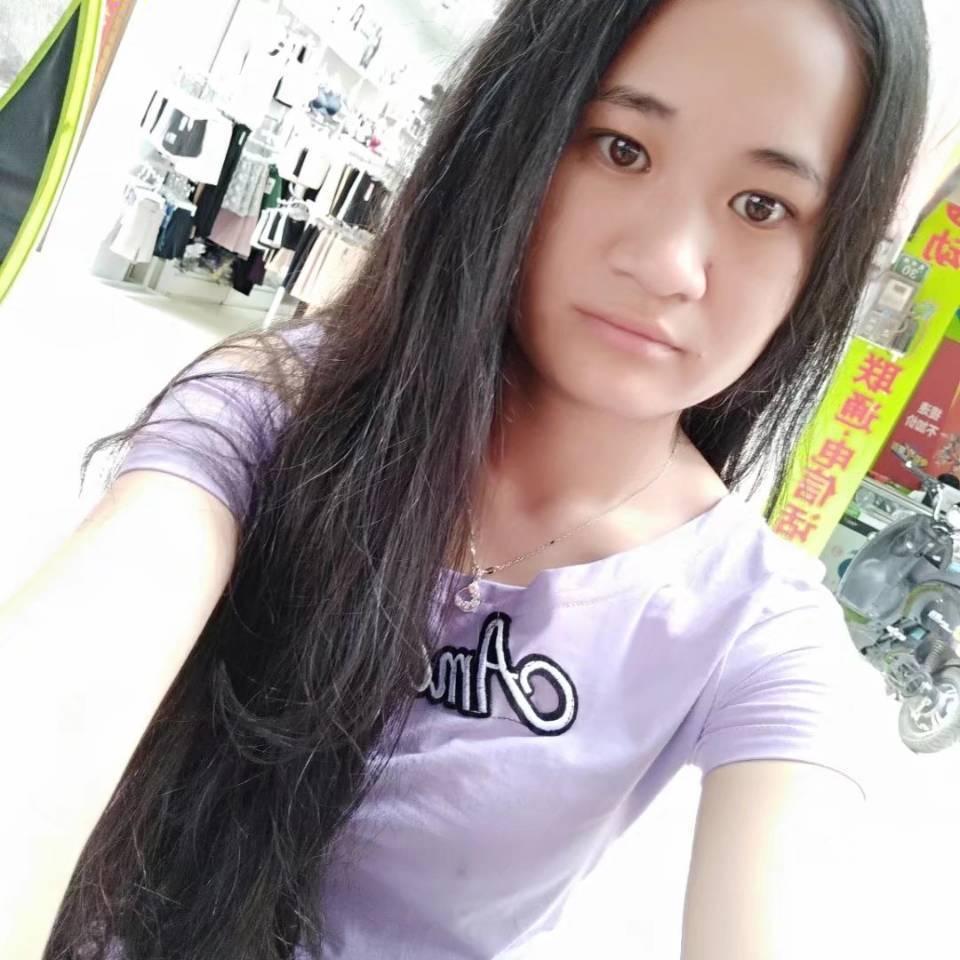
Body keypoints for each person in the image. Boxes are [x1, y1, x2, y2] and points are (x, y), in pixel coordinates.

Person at [0, 0, 929, 958]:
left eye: (762, 206)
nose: (667, 265)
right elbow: (55, 699)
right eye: (621, 149)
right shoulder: (276, 412)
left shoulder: (751, 624)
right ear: (517, 133)